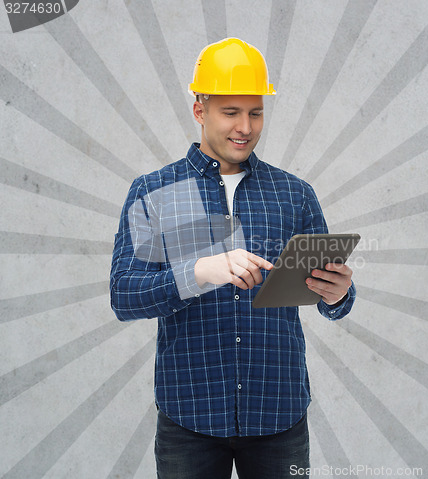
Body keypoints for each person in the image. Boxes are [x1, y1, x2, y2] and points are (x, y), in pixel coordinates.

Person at [110, 37, 356, 479]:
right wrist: (197, 272)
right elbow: (124, 297)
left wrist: (338, 294)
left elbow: (329, 298)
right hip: (189, 419)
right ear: (199, 110)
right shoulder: (154, 192)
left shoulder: (293, 194)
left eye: (256, 112)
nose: (245, 127)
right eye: (230, 112)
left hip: (279, 415)